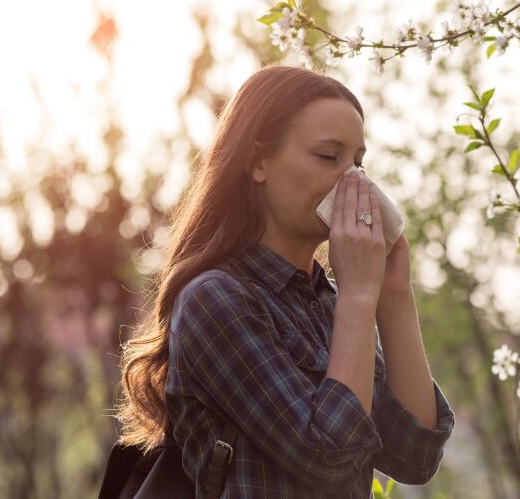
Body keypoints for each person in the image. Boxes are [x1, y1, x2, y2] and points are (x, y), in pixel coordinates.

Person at [114, 64, 455, 497]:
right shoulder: (216, 300)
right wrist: (357, 297)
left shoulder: (330, 302)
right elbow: (326, 457)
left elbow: (416, 454)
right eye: (329, 157)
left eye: (359, 162)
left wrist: (393, 296)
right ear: (258, 162)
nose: (354, 181)